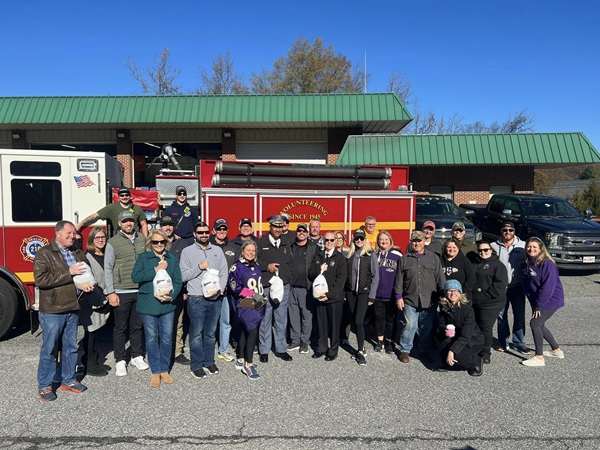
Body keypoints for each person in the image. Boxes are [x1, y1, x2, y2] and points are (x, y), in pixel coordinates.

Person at [34, 220, 92, 402]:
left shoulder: (76, 251)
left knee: (70, 347)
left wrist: (86, 284)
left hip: (72, 306)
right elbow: (41, 280)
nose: (73, 237)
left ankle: (68, 380)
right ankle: (44, 385)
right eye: (69, 233)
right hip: (52, 309)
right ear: (57, 233)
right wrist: (69, 272)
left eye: (74, 234)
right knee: (50, 349)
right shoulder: (44, 253)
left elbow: (83, 273)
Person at [132, 229, 182, 387]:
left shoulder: (172, 258)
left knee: (167, 338)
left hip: (167, 305)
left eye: (162, 241)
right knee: (152, 339)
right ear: (150, 243)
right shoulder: (144, 257)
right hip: (148, 305)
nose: (159, 244)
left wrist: (171, 296)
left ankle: (164, 370)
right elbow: (136, 277)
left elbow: (178, 281)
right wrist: (156, 269)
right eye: (155, 242)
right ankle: (155, 371)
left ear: (166, 242)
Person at [180, 221, 229, 379]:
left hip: (215, 298)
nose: (203, 235)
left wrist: (220, 290)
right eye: (200, 232)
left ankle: (209, 361)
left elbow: (224, 272)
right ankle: (196, 365)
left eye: (206, 232)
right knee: (196, 334)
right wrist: (198, 268)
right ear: (195, 234)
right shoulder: (187, 252)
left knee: (210, 333)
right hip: (196, 298)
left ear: (210, 233)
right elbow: (182, 275)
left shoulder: (217, 250)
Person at [105, 210, 149, 377]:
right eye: (125, 221)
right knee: (120, 327)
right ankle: (120, 360)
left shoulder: (141, 239)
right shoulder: (113, 243)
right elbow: (108, 268)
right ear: (120, 224)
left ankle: (137, 356)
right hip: (121, 291)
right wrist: (111, 292)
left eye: (131, 221)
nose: (129, 223)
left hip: (140, 289)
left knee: (137, 326)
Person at [394, 231, 445, 364]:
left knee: (426, 327)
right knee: (410, 325)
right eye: (414, 241)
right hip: (410, 299)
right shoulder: (404, 259)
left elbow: (440, 278)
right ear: (411, 242)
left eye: (419, 241)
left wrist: (443, 295)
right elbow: (399, 280)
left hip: (429, 300)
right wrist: (399, 297)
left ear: (424, 242)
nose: (417, 243)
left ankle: (423, 350)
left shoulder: (434, 258)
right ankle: (405, 350)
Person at [520, 237, 565, 367]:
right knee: (540, 324)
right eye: (529, 246)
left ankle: (539, 357)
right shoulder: (529, 262)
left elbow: (548, 287)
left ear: (541, 248)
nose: (531, 249)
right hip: (539, 299)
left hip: (550, 299)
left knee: (535, 323)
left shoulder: (547, 264)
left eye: (535, 247)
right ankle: (556, 350)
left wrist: (538, 306)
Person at [256, 215, 294, 363]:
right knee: (265, 318)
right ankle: (264, 350)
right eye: (275, 226)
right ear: (270, 227)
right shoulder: (261, 243)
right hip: (266, 286)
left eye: (280, 226)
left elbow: (291, 262)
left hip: (283, 286)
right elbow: (254, 260)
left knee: (281, 319)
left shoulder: (286, 243)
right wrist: (267, 267)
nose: (277, 229)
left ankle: (281, 349)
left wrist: (288, 277)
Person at [228, 241, 266, 380]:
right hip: (245, 303)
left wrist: (260, 296)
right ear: (242, 251)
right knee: (253, 330)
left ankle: (241, 359)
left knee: (245, 330)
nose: (251, 252)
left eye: (253, 250)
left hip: (256, 303)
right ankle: (249, 365)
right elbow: (235, 287)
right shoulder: (236, 267)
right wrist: (252, 294)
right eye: (248, 250)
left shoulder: (255, 265)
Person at [308, 231, 348, 361]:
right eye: (327, 240)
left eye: (332, 240)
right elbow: (311, 274)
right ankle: (321, 348)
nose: (329, 243)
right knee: (321, 324)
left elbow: (340, 281)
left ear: (336, 242)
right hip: (319, 298)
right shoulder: (318, 256)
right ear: (323, 241)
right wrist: (320, 269)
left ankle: (333, 350)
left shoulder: (340, 258)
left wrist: (329, 295)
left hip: (334, 299)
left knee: (334, 326)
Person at [491, 221, 529, 354]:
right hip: (500, 287)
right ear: (501, 232)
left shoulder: (523, 246)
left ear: (514, 232)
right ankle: (503, 341)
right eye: (505, 230)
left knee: (519, 315)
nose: (508, 232)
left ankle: (519, 342)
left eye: (510, 230)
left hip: (517, 286)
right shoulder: (493, 247)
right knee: (501, 316)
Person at [160, 215, 193, 365]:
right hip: (160, 290)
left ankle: (177, 352)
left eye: (170, 225)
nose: (167, 228)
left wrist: (185, 289)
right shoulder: (156, 243)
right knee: (162, 322)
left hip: (178, 289)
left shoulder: (182, 243)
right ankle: (163, 351)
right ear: (160, 227)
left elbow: (187, 266)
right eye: (165, 225)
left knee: (178, 322)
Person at [78, 227, 112, 377]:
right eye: (97, 237)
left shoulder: (109, 255)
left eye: (103, 237)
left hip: (106, 297)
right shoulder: (87, 258)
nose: (100, 240)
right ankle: (90, 364)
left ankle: (92, 359)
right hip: (92, 299)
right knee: (90, 330)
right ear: (91, 240)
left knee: (97, 330)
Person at [435, 280, 484, 376]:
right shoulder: (444, 306)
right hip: (456, 336)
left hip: (472, 339)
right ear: (445, 293)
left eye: (456, 291)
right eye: (449, 291)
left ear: (460, 293)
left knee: (457, 356)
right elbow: (440, 323)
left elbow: (466, 336)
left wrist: (452, 351)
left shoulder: (467, 310)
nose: (453, 294)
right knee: (438, 338)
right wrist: (444, 329)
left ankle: (476, 361)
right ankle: (449, 362)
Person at [345, 229, 379, 365]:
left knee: (359, 321)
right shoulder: (350, 255)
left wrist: (372, 296)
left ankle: (360, 351)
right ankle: (361, 346)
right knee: (354, 318)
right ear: (353, 240)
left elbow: (376, 277)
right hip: (351, 292)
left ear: (365, 240)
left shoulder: (370, 255)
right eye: (356, 239)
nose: (359, 241)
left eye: (361, 239)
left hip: (364, 292)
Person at [471, 241, 508, 365]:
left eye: (486, 250)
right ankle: (475, 348)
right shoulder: (476, 263)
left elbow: (500, 284)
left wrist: (486, 295)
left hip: (490, 303)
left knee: (485, 328)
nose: (483, 252)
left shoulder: (497, 265)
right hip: (475, 301)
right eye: (480, 250)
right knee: (475, 326)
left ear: (491, 250)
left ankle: (486, 353)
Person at [288, 223, 318, 354]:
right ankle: (295, 340)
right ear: (296, 232)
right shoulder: (290, 246)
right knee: (293, 314)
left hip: (306, 287)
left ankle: (305, 341)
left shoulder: (313, 247)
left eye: (304, 231)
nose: (301, 233)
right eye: (299, 231)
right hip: (291, 286)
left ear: (307, 233)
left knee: (306, 315)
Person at [209, 218, 237, 363]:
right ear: (213, 231)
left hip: (226, 293)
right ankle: (206, 350)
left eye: (224, 229)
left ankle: (223, 350)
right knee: (209, 322)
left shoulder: (232, 248)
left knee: (225, 322)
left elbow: (236, 270)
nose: (221, 231)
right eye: (219, 229)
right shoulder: (207, 246)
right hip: (209, 292)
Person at [77, 187, 148, 237]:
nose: (124, 197)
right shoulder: (112, 208)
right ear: (118, 196)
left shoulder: (137, 209)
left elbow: (144, 225)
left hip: (135, 238)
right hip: (120, 239)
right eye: (122, 195)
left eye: (126, 195)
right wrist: (80, 224)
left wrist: (145, 239)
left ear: (130, 196)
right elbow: (95, 216)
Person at [373, 230, 402, 354]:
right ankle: (380, 341)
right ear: (378, 241)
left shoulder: (398, 255)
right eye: (381, 239)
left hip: (392, 294)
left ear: (390, 241)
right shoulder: (374, 255)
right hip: (377, 294)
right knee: (379, 318)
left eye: (386, 239)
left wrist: (400, 294)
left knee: (391, 319)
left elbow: (402, 275)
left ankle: (389, 341)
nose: (383, 241)